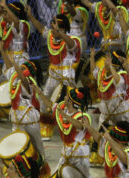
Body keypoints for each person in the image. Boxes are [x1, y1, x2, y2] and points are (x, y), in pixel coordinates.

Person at [27, 9, 82, 140]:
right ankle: (46, 126)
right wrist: (30, 16)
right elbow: (41, 29)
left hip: (66, 79)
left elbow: (72, 46)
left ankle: (72, 125)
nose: (52, 26)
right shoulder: (51, 37)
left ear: (62, 28)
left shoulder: (72, 40)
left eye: (55, 24)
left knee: (68, 103)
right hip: (53, 76)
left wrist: (61, 33)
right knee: (44, 99)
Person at [34, 86, 97, 178]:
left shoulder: (82, 116)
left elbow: (80, 125)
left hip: (79, 154)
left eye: (67, 96)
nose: (64, 96)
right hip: (66, 151)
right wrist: (39, 92)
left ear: (71, 101)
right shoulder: (62, 108)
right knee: (57, 175)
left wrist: (65, 116)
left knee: (85, 177)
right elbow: (50, 105)